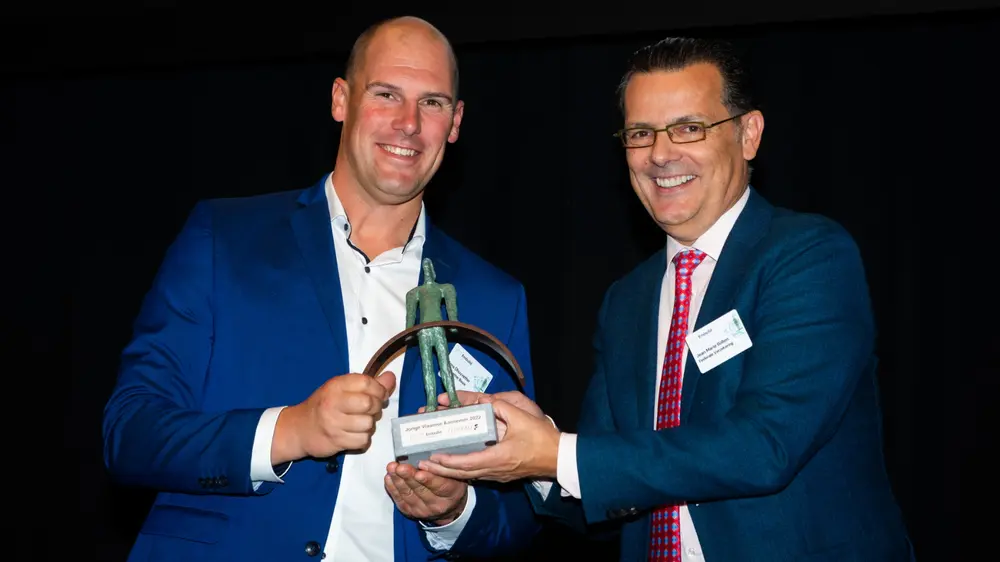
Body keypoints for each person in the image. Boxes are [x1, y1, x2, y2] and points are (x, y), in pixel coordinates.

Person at [421, 36, 914, 561]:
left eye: (689, 128)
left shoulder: (809, 257)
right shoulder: (627, 302)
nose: (660, 154)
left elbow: (766, 445)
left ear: (749, 134)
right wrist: (532, 450)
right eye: (641, 133)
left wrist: (557, 453)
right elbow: (609, 490)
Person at [102, 16, 540, 561]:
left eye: (431, 103)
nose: (408, 123)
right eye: (386, 94)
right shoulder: (224, 239)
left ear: (455, 122)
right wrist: (291, 430)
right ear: (341, 99)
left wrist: (454, 511)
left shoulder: (495, 298)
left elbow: (522, 512)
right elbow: (131, 433)